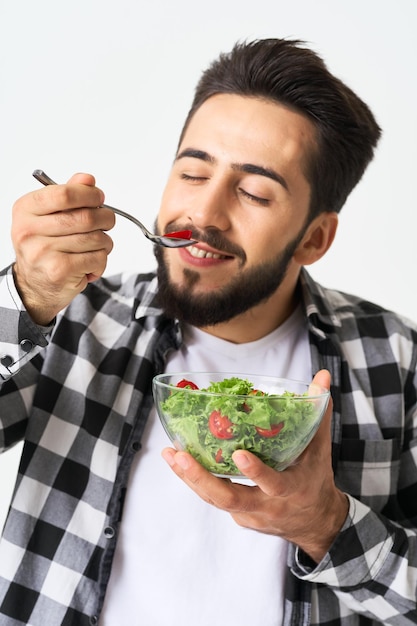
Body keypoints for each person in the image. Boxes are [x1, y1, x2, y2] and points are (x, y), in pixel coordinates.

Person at [0, 37, 416, 626]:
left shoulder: (397, 358)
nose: (205, 214)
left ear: (314, 238)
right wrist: (27, 298)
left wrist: (326, 526)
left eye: (253, 192)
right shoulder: (74, 316)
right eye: (193, 173)